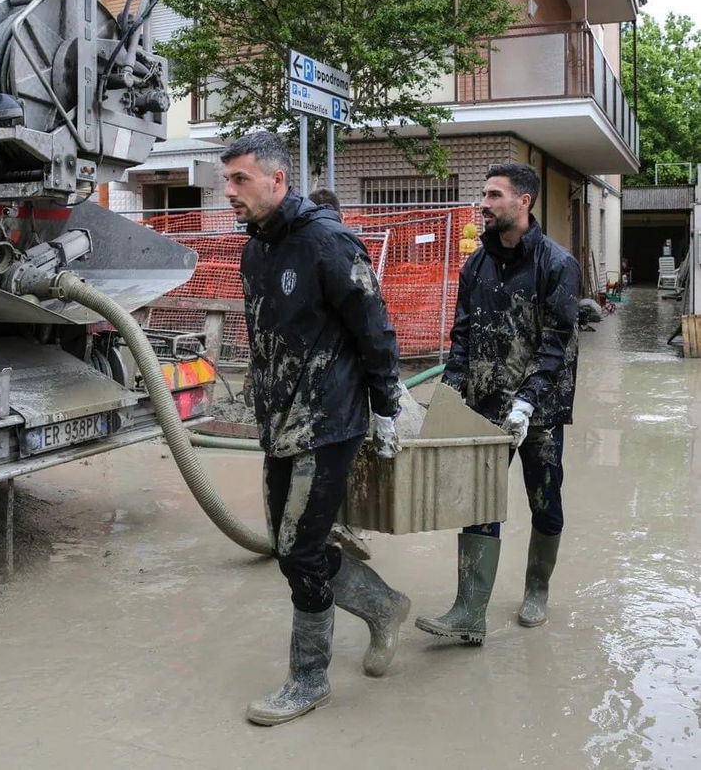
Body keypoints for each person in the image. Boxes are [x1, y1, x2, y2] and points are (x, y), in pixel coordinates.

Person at [222, 132, 410, 726]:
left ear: (277, 180)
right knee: (289, 547)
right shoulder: (255, 250)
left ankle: (309, 679)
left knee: (301, 551)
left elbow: (374, 327)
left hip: (330, 419)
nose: (229, 192)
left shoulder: (328, 241)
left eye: (240, 179)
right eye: (226, 180)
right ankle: (383, 605)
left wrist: (386, 406)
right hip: (280, 421)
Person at [415, 163, 580, 644]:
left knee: (544, 500)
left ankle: (537, 590)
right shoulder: (476, 264)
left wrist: (527, 402)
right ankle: (470, 611)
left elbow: (557, 343)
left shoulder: (556, 264)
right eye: (483, 194)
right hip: (485, 409)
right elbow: (462, 337)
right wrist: (448, 394)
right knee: (478, 503)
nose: (483, 204)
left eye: (493, 195)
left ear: (522, 201)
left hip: (539, 413)